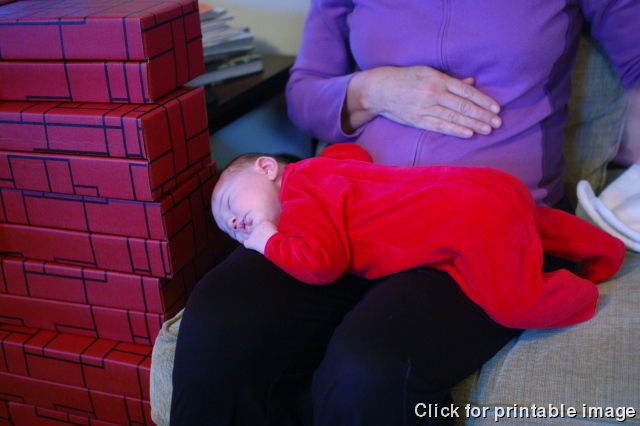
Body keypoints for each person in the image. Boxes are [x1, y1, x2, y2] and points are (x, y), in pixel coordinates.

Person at [171, 1, 640, 425]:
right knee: (220, 324)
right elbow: (303, 96)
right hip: (345, 210)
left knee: (369, 369)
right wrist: (369, 90)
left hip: (479, 223)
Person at [211, 143, 625, 329]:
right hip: (484, 183)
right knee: (535, 222)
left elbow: (319, 264)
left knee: (515, 305)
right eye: (227, 227)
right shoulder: (320, 168)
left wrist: (267, 239)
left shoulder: (299, 201)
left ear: (267, 167)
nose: (234, 222)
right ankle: (607, 248)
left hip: (472, 221)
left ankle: (581, 295)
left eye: (230, 202)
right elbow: (351, 154)